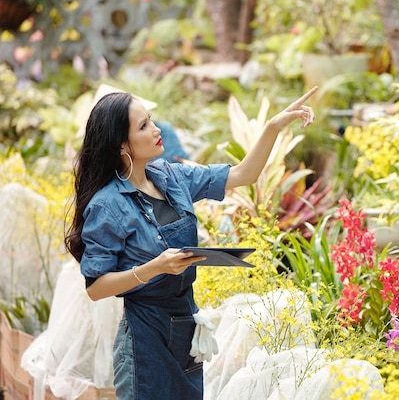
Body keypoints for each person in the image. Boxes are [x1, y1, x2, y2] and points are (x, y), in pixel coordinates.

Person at [64, 86, 318, 400]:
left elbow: (244, 173)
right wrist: (156, 267)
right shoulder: (107, 205)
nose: (157, 130)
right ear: (121, 145)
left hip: (185, 331)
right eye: (143, 126)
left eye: (151, 120)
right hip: (145, 340)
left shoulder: (171, 177)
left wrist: (273, 127)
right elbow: (96, 287)